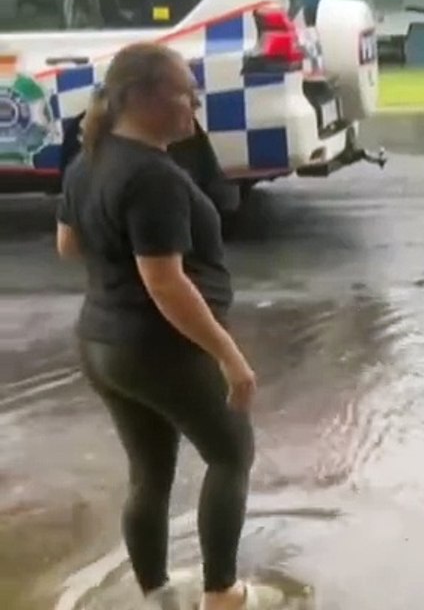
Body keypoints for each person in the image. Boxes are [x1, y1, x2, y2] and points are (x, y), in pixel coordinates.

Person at [54, 42, 273, 610]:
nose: (193, 103)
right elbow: (166, 283)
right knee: (230, 454)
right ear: (143, 98)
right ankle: (223, 594)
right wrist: (231, 357)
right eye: (183, 92)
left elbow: (68, 243)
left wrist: (117, 271)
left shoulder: (88, 162)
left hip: (103, 342)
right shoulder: (153, 176)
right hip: (159, 349)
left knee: (149, 472)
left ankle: (157, 596)